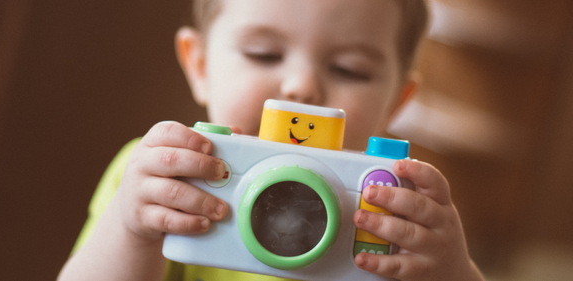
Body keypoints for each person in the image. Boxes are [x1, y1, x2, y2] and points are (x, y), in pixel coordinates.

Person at [58, 0, 485, 280]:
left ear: (397, 102)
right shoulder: (165, 177)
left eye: (349, 69)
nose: (301, 87)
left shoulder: (394, 214)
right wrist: (130, 231)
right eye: (264, 54)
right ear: (201, 66)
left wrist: (451, 272)